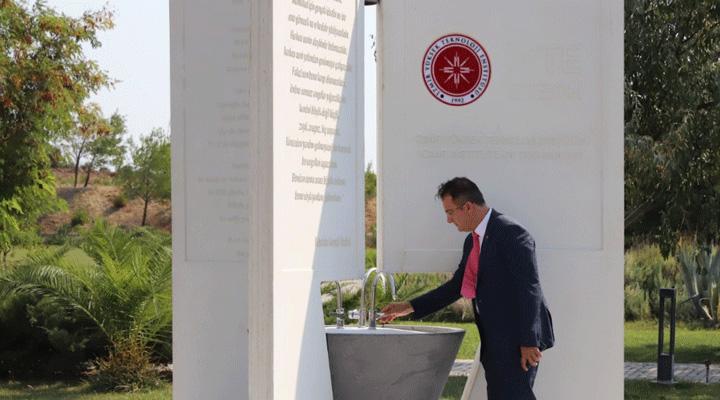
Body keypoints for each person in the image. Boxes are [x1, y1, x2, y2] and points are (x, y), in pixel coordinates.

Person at [380, 177, 554, 400]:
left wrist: (529, 340)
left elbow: (529, 288)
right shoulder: (472, 241)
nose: (448, 220)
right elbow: (456, 287)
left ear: (468, 207)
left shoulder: (512, 234)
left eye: (451, 212)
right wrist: (408, 307)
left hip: (517, 341)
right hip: (495, 341)